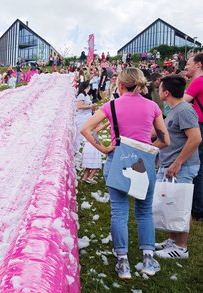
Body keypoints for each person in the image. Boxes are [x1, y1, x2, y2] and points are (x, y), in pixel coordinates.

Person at [80, 67, 170, 279]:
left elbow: (85, 129)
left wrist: (104, 148)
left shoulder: (112, 105)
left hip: (117, 159)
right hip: (144, 163)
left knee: (119, 212)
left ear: (120, 85)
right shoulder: (152, 106)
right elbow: (165, 139)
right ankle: (148, 259)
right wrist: (149, 149)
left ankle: (123, 262)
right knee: (144, 211)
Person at [154, 75, 201, 259]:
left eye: (159, 89)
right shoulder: (174, 110)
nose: (158, 92)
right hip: (171, 165)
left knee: (181, 204)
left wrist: (178, 162)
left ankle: (181, 247)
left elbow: (196, 138)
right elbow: (169, 138)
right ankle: (173, 240)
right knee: (172, 203)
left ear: (166, 93)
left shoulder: (183, 111)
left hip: (182, 166)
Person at [183, 53, 203, 221]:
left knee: (197, 167)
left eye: (188, 63)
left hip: (199, 126)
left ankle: (197, 208)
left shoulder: (198, 81)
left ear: (198, 65)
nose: (186, 66)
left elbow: (180, 102)